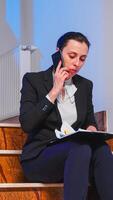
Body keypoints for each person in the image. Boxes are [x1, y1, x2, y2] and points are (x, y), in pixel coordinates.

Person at [19, 32, 113, 200]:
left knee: (102, 149)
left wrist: (92, 129)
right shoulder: (33, 80)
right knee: (80, 148)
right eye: (72, 56)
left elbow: (90, 120)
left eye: (82, 59)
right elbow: (27, 124)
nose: (77, 63)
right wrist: (54, 91)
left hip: (75, 160)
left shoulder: (85, 85)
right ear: (58, 52)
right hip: (40, 158)